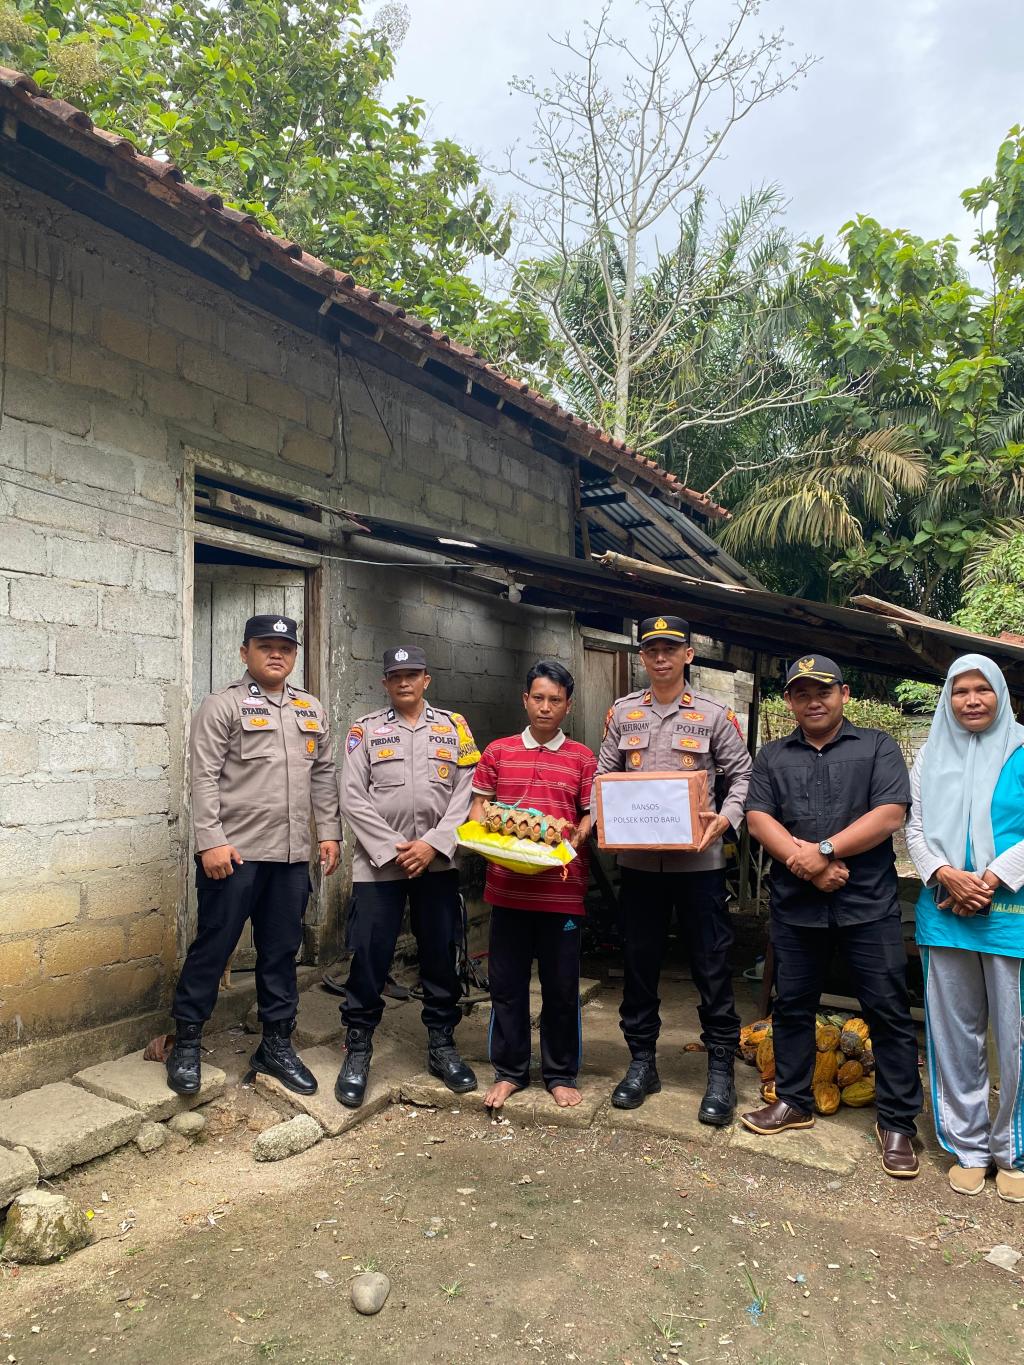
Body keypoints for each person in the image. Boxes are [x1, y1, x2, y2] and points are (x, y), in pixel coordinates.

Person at [740, 654, 923, 1178]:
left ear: (844, 694)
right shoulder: (774, 756)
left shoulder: (877, 747)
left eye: (822, 691)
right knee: (793, 1004)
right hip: (798, 907)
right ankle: (793, 1100)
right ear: (791, 701)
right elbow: (758, 818)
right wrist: (810, 868)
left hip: (866, 904)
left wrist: (820, 851)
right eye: (801, 693)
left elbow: (890, 813)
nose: (812, 700)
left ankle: (897, 1123)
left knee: (886, 1008)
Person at [167, 615, 342, 1097]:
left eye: (285, 648)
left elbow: (324, 776)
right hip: (236, 853)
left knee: (282, 951)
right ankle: (186, 1040)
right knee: (215, 946)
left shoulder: (311, 709)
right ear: (244, 652)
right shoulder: (222, 706)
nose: (276, 654)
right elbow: (201, 777)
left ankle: (276, 1044)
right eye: (265, 646)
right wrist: (210, 841)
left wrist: (329, 833)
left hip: (290, 857)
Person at [594, 616, 752, 1124]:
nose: (660, 657)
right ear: (642, 657)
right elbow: (604, 775)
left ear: (688, 655)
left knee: (710, 962)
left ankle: (721, 1070)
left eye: (671, 648)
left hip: (698, 863)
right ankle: (642, 1062)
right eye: (651, 649)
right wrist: (604, 820)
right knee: (639, 963)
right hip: (639, 864)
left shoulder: (712, 716)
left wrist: (724, 820)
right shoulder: (622, 713)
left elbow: (742, 775)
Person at [335, 646, 480, 1107]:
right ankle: (358, 1048)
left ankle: (442, 1045)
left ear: (426, 679)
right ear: (384, 682)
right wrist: (392, 850)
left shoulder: (453, 727)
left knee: (440, 952)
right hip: (380, 865)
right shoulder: (365, 730)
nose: (404, 682)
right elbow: (352, 796)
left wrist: (434, 844)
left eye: (412, 674)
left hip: (436, 862)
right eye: (395, 676)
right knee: (370, 955)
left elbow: (468, 790)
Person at [906, 653, 1024, 1202]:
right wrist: (947, 874)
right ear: (947, 699)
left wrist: (994, 877)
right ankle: (969, 1146)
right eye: (960, 691)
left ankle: (1013, 1149)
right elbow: (916, 828)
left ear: (1001, 694)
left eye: (983, 689)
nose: (971, 700)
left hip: (1012, 915)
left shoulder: (1022, 747)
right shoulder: (930, 754)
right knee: (955, 1034)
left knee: (1016, 1035)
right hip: (945, 907)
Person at [468, 659, 596, 1110]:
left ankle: (560, 1074)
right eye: (538, 698)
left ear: (568, 706)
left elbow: (588, 813)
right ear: (525, 700)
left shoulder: (582, 757)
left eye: (555, 701)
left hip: (562, 891)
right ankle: (510, 1071)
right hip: (507, 889)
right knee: (507, 984)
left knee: (562, 986)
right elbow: (478, 809)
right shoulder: (498, 752)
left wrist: (582, 830)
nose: (545, 708)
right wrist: (484, 837)